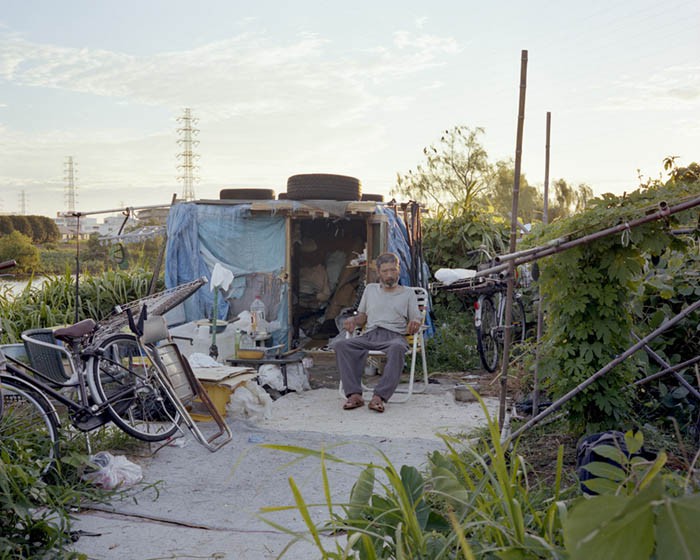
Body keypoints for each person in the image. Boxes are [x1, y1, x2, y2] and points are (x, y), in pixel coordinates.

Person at [335, 252, 422, 413]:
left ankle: (379, 397)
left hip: (395, 335)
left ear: (399, 270)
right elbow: (361, 318)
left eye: (393, 270)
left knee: (397, 348)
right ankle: (354, 394)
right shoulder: (370, 289)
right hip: (370, 334)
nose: (390, 275)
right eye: (385, 271)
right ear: (378, 272)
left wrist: (415, 322)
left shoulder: (408, 293)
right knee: (341, 345)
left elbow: (416, 318)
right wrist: (353, 321)